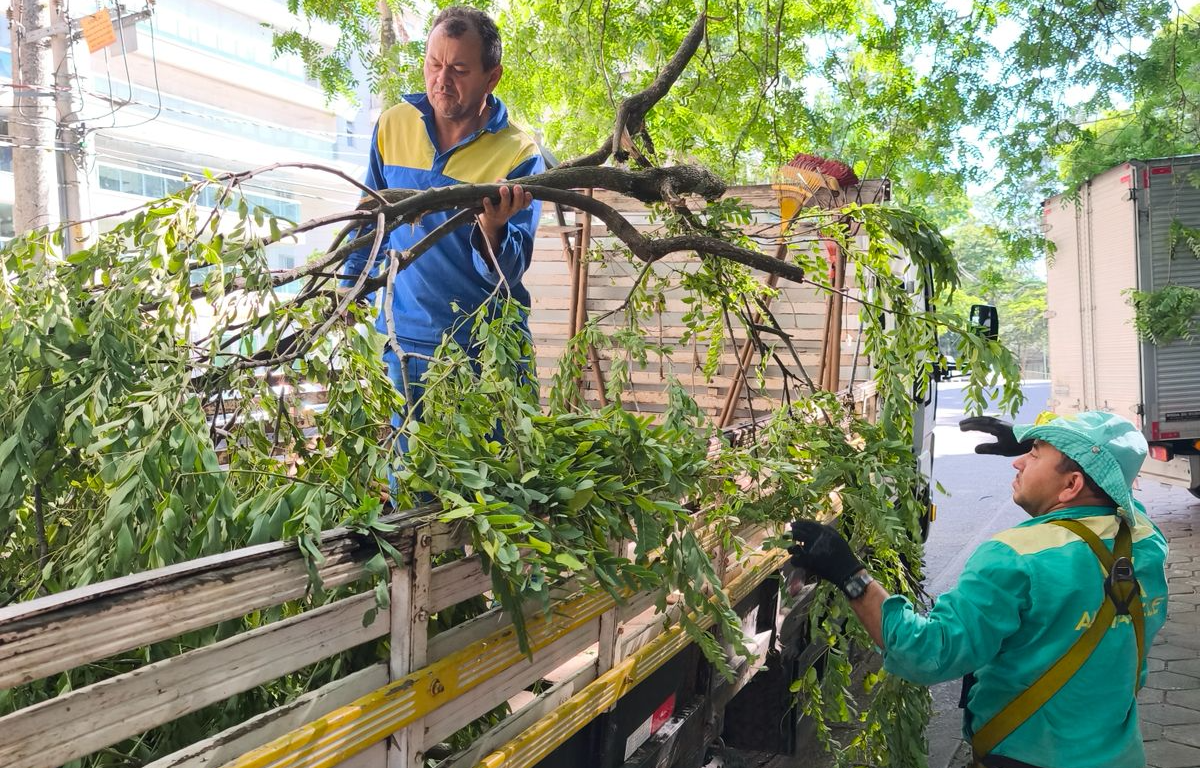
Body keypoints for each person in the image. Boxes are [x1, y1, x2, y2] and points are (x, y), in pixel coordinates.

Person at [788, 411, 1169, 768]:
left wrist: (848, 573)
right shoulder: (1146, 540)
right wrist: (1035, 445)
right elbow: (1116, 492)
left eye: (1033, 456)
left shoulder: (1015, 557)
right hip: (1118, 754)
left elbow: (928, 652)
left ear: (1071, 485)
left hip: (1028, 755)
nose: (1017, 461)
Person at [341, 6, 545, 414]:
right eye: (434, 64)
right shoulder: (391, 126)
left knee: (498, 471)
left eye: (459, 70)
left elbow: (511, 268)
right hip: (405, 341)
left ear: (492, 77)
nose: (441, 81)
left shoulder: (518, 153)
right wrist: (351, 286)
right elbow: (372, 216)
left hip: (486, 347)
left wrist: (493, 229)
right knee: (411, 472)